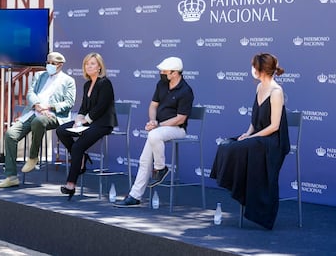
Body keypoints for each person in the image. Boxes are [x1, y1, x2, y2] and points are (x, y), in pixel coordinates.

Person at [210, 53, 290, 230]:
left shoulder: (276, 92)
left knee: (239, 147)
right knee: (227, 144)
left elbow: (275, 126)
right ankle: (237, 187)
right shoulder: (259, 87)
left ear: (260, 69)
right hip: (258, 137)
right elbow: (255, 121)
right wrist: (247, 134)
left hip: (273, 142)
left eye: (254, 66)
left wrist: (252, 138)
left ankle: (251, 201)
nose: (252, 69)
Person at [115, 56, 194, 207]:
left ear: (175, 73)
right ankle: (135, 196)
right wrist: (153, 121)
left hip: (177, 130)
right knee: (144, 159)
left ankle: (160, 168)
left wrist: (159, 125)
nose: (162, 73)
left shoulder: (186, 90)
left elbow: (180, 119)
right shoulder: (161, 85)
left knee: (154, 134)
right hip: (159, 129)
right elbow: (153, 106)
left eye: (165, 71)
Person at [0, 52, 76, 188]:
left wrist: (49, 107)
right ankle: (11, 176)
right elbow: (30, 93)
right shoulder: (39, 76)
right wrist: (37, 105)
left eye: (53, 63)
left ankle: (33, 157)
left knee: (38, 122)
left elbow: (68, 103)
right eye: (48, 62)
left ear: (60, 65)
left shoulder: (68, 81)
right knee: (10, 134)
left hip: (53, 115)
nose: (49, 65)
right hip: (33, 111)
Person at [56, 52, 117, 200]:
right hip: (88, 122)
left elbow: (101, 107)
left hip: (103, 123)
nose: (89, 66)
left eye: (92, 64)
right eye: (87, 64)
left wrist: (86, 120)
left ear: (99, 67)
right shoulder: (87, 84)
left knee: (77, 147)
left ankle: (71, 184)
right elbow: (84, 106)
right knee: (61, 130)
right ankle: (81, 158)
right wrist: (79, 118)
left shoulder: (105, 83)